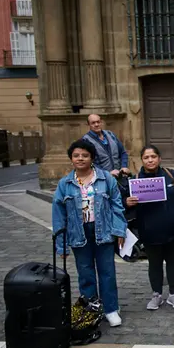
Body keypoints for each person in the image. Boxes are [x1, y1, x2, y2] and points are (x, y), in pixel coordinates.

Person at [52, 139, 127, 327]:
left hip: (104, 231)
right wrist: (61, 244)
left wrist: (119, 231)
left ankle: (110, 308)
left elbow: (117, 205)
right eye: (76, 156)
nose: (80, 159)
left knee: (107, 272)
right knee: (85, 273)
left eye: (85, 155)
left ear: (92, 157)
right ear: (71, 159)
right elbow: (59, 215)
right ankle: (91, 308)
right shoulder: (65, 184)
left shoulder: (105, 179)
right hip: (79, 233)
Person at [125, 145, 174, 311]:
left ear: (159, 158)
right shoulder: (134, 180)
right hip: (149, 231)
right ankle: (156, 295)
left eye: (153, 156)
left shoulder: (171, 175)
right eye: (146, 157)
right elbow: (125, 205)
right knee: (154, 264)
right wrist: (127, 203)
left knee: (173, 263)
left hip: (172, 230)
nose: (150, 160)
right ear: (142, 160)